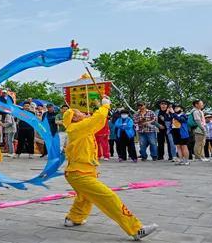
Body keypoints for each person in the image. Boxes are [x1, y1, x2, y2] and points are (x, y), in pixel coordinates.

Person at [62, 96, 158, 240]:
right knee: (108, 197)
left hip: (83, 171)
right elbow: (97, 120)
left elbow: (96, 123)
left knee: (85, 197)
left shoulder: (79, 129)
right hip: (79, 173)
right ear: (74, 118)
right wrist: (105, 105)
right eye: (79, 113)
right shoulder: (76, 128)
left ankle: (74, 217)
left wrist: (98, 110)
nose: (83, 113)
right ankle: (136, 229)